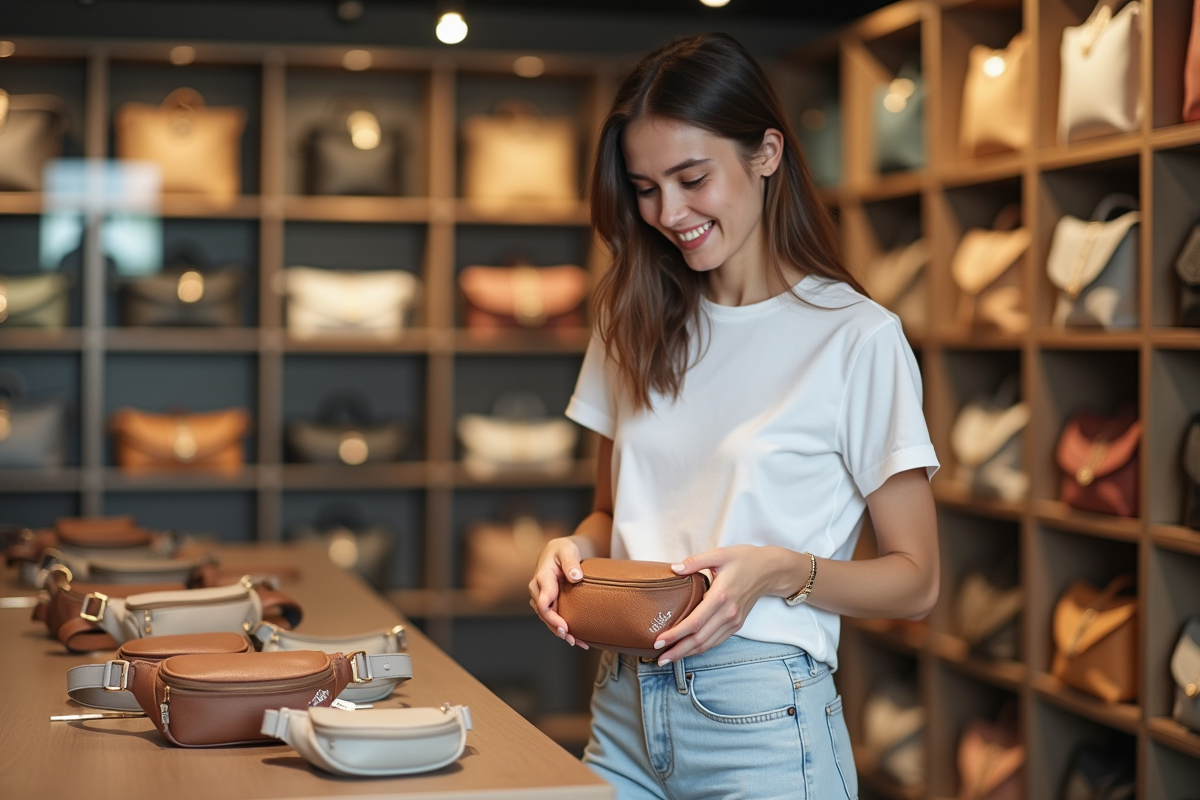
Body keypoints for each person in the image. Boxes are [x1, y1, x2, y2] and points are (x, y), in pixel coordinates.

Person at [528, 32, 940, 800]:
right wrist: (572, 548)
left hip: (766, 717)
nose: (667, 212)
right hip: (622, 708)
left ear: (767, 153)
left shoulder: (856, 337)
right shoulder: (631, 319)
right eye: (645, 187)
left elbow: (916, 582)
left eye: (691, 178)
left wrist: (779, 571)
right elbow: (612, 509)